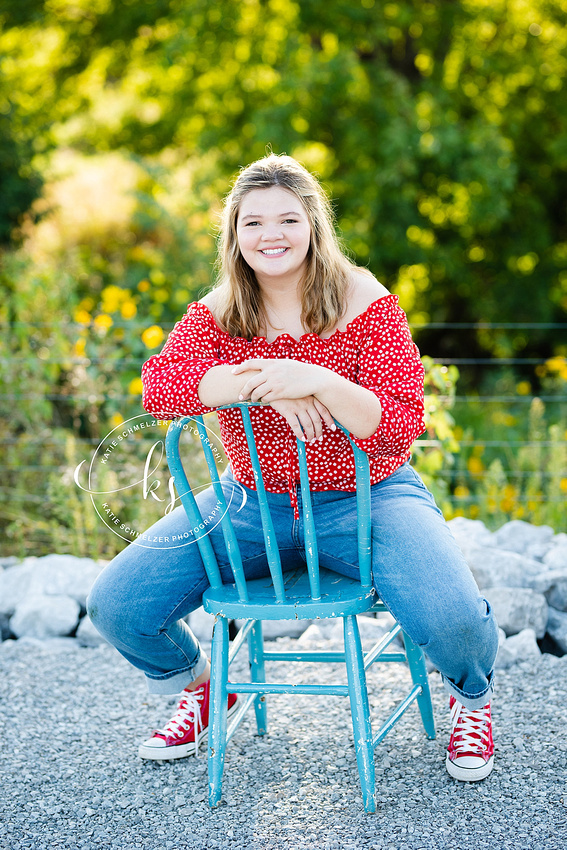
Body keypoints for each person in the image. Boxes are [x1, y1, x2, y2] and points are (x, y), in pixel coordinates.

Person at [87, 153, 499, 782]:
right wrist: (270, 385)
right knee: (118, 604)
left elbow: (395, 421)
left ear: (313, 224)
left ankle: (471, 701)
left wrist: (317, 378)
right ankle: (203, 686)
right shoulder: (224, 307)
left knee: (452, 617)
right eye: (252, 223)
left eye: (286, 219)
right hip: (251, 502)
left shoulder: (363, 299)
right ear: (234, 233)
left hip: (367, 497)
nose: (269, 235)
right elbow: (162, 387)